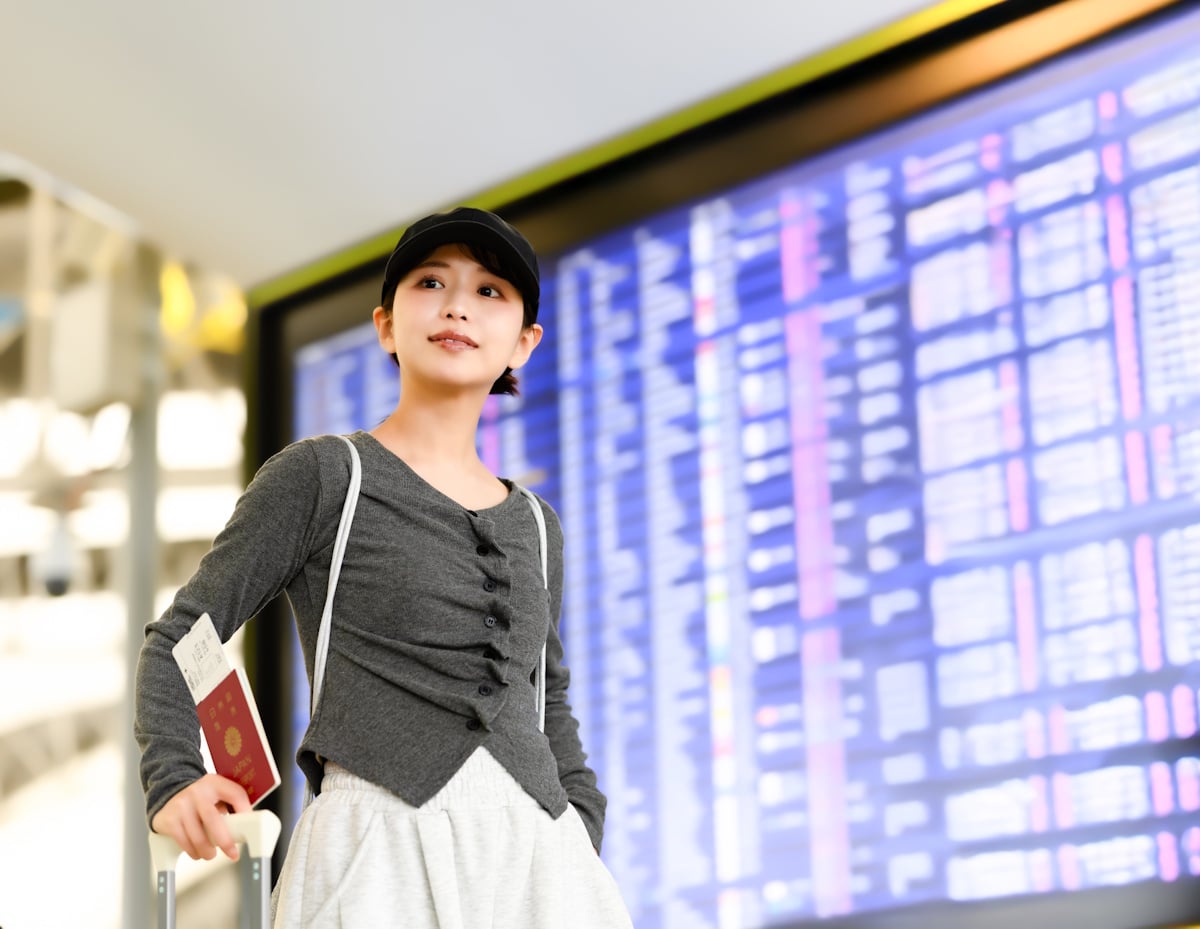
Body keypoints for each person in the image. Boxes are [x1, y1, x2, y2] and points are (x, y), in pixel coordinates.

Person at [135, 207, 634, 927]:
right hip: (377, 846)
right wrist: (174, 775)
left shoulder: (536, 523)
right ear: (386, 325)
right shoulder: (325, 475)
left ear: (524, 344)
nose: (458, 304)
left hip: (542, 862)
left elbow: (547, 704)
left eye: (490, 290)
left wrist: (578, 834)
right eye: (431, 282)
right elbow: (181, 635)